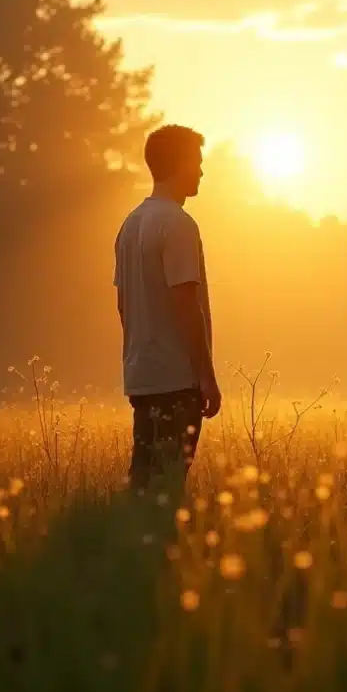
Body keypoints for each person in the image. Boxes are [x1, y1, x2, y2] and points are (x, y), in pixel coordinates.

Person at [114, 124, 221, 491]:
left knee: (143, 481)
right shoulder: (178, 224)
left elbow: (122, 306)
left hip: (142, 378)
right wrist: (205, 375)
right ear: (181, 163)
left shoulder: (130, 225)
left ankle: (129, 544)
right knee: (168, 485)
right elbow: (186, 305)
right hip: (178, 381)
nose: (202, 172)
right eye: (198, 162)